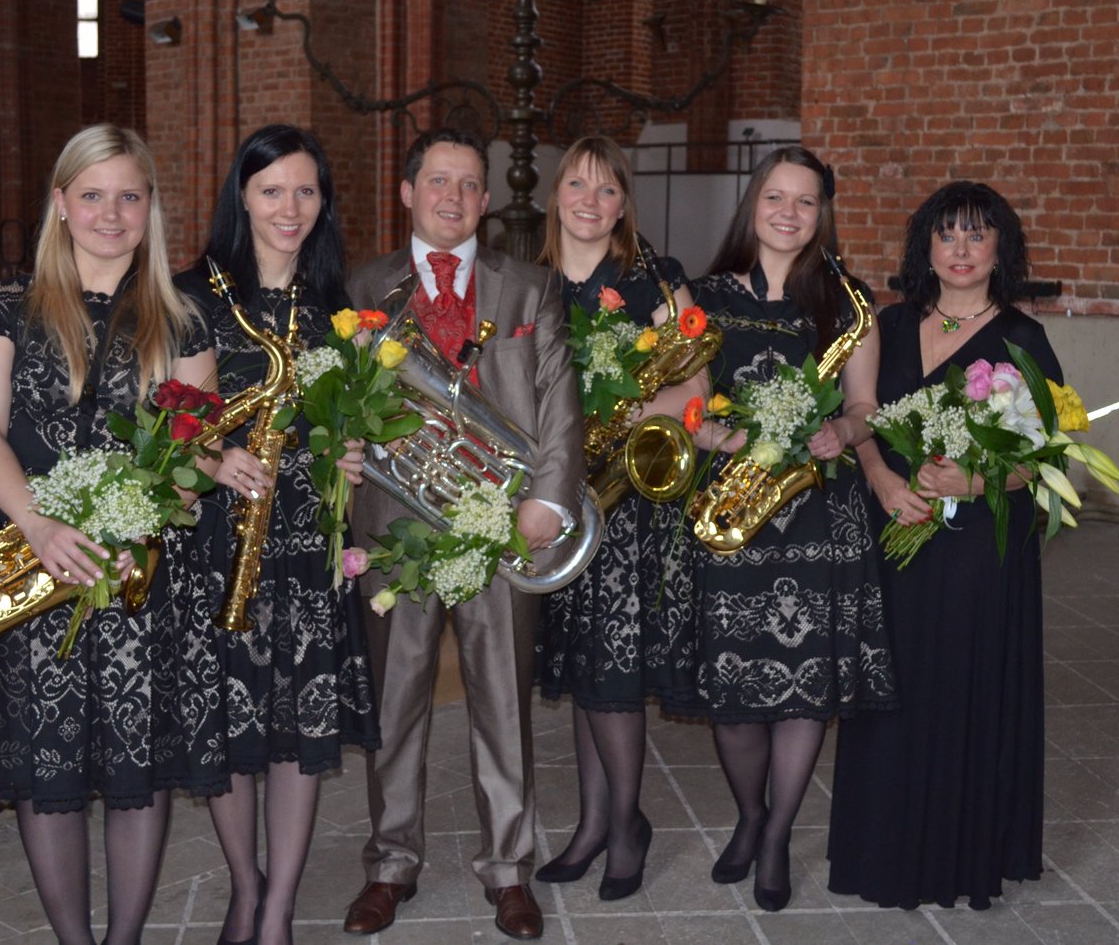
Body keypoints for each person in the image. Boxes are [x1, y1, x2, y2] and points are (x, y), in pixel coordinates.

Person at [0, 124, 222, 945]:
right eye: (92, 195)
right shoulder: (8, 309)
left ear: (150, 207)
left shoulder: (182, 320)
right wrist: (37, 522)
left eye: (129, 196)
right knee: (43, 762)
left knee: (137, 767)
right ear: (61, 203)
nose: (110, 213)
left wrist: (145, 517)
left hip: (139, 565)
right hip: (30, 551)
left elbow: (198, 452)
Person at [343, 128, 583, 941]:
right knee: (395, 702)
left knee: (504, 701)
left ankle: (510, 869)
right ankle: (390, 864)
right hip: (395, 525)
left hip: (503, 528)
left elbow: (559, 402)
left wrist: (546, 502)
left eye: (470, 184)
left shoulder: (530, 287)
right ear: (407, 192)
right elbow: (340, 401)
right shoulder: (360, 286)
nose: (454, 196)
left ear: (486, 200)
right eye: (438, 181)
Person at [171, 125, 380, 945]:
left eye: (305, 191)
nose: (289, 208)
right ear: (242, 196)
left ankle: (279, 908)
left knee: (300, 725)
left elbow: (351, 421)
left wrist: (352, 452)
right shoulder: (192, 296)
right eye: (271, 190)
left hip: (304, 543)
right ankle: (246, 884)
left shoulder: (337, 309)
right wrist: (210, 456)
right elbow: (163, 418)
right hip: (217, 544)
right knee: (229, 723)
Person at [827, 180, 1059, 910]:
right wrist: (879, 478)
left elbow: (1046, 459)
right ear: (924, 246)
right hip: (892, 528)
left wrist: (977, 478)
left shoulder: (1023, 339)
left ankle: (958, 853)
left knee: (959, 688)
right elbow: (860, 416)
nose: (961, 249)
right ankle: (879, 847)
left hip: (976, 552)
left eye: (977, 234)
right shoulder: (889, 325)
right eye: (947, 233)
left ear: (999, 249)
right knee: (886, 685)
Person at [677, 146, 896, 912]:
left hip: (819, 516)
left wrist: (844, 431)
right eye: (776, 196)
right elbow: (684, 401)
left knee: (805, 693)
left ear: (821, 214)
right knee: (734, 696)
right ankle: (750, 813)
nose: (789, 213)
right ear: (753, 202)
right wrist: (721, 436)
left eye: (806, 201)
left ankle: (775, 837)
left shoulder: (848, 302)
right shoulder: (703, 295)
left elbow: (866, 406)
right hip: (734, 511)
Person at [532, 135, 703, 900]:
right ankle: (594, 824)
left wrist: (625, 411)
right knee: (584, 669)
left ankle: (628, 825)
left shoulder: (655, 280)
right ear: (556, 195)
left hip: (629, 505)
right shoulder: (528, 284)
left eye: (606, 190)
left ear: (623, 204)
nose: (590, 201)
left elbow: (698, 389)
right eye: (577, 184)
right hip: (558, 505)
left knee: (615, 674)